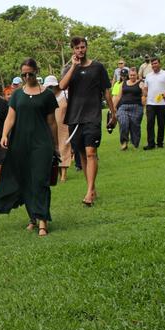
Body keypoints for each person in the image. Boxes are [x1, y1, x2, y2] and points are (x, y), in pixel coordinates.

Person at [0, 58, 58, 236]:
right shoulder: (17, 95)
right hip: (20, 143)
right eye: (24, 74)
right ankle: (32, 218)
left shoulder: (47, 95)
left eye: (30, 73)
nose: (27, 76)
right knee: (26, 181)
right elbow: (10, 118)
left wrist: (55, 146)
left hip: (42, 144)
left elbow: (52, 123)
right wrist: (5, 135)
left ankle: (43, 220)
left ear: (37, 72)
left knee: (40, 181)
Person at [59, 36, 116, 207]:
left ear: (86, 47)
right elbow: (62, 86)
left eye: (83, 47)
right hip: (74, 118)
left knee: (91, 152)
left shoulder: (97, 67)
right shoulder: (69, 68)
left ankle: (89, 192)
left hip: (93, 116)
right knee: (82, 155)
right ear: (72, 50)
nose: (80, 50)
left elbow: (107, 91)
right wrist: (74, 67)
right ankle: (91, 188)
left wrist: (114, 114)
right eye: (77, 48)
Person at [43, 76, 71, 182]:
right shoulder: (46, 97)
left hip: (64, 126)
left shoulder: (65, 94)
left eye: (51, 86)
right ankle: (57, 172)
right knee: (55, 150)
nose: (50, 89)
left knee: (64, 148)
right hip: (50, 127)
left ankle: (63, 174)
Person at [142, 57, 165, 150]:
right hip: (150, 103)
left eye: (155, 63)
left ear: (159, 64)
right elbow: (145, 88)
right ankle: (151, 144)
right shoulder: (148, 75)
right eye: (152, 64)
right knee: (150, 123)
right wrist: (144, 92)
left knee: (161, 123)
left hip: (162, 103)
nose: (154, 65)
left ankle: (160, 142)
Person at [114, 67, 146, 149]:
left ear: (137, 75)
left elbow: (145, 95)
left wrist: (143, 88)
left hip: (136, 107)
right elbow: (118, 96)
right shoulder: (123, 83)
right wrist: (113, 107)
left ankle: (135, 143)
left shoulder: (141, 83)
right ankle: (124, 142)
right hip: (123, 107)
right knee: (123, 123)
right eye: (131, 75)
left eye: (134, 75)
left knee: (135, 125)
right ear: (128, 75)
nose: (132, 77)